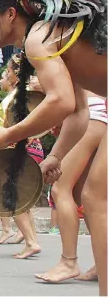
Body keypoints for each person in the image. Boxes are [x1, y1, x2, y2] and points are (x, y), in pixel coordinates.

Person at [0, 0, 107, 295]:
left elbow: (60, 101)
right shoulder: (52, 35)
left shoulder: (38, 36)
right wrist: (55, 155)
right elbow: (77, 111)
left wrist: (9, 135)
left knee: (94, 198)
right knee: (91, 197)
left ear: (9, 14)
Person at [35, 91, 106, 283]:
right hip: (100, 115)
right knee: (86, 197)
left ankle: (69, 262)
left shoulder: (50, 61)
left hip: (89, 115)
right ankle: (103, 263)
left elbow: (62, 97)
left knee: (60, 188)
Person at [0, 57, 44, 258]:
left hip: (20, 148)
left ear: (15, 74)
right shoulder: (20, 94)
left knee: (13, 196)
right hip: (23, 146)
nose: (4, 76)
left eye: (7, 71)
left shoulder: (24, 95)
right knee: (22, 198)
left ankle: (31, 242)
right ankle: (32, 240)